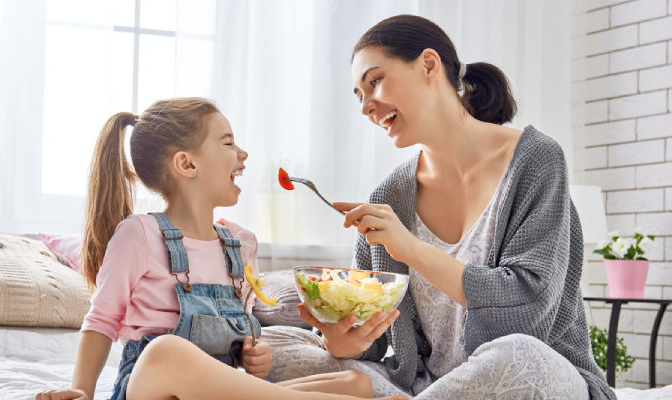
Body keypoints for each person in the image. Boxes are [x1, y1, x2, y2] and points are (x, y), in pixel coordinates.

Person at [264, 14, 615, 400]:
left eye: (375, 81)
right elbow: (374, 343)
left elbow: (527, 308)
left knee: (520, 356)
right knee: (274, 346)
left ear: (429, 64)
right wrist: (341, 341)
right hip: (423, 388)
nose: (366, 106)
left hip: (532, 376)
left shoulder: (536, 160)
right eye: (359, 95)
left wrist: (411, 249)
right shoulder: (388, 196)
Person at [34, 98, 406, 400]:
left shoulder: (240, 244)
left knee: (356, 384)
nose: (242, 154)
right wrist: (81, 390)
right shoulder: (140, 234)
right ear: (187, 163)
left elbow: (239, 354)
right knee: (165, 351)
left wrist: (254, 357)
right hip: (152, 389)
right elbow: (100, 321)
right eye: (228, 142)